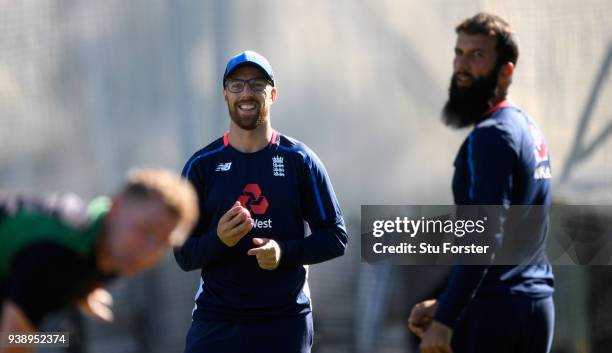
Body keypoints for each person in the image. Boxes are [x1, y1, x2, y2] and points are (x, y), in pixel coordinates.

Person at [174, 50, 348, 353]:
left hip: (284, 321)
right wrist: (219, 239)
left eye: (257, 84)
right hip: (217, 320)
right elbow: (184, 255)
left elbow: (336, 237)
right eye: (237, 85)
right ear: (225, 94)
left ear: (273, 94)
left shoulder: (299, 160)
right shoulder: (201, 165)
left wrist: (283, 252)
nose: (247, 93)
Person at [408, 13, 555, 353]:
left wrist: (446, 320)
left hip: (498, 313)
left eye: (477, 56)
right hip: (534, 304)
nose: (461, 65)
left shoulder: (492, 135)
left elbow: (486, 233)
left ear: (506, 71)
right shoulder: (525, 127)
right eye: (459, 53)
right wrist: (445, 303)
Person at [0, 168, 198, 353]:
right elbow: (11, 341)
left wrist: (86, 287)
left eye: (163, 243)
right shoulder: (58, 254)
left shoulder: (113, 242)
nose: (149, 251)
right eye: (145, 231)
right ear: (116, 207)